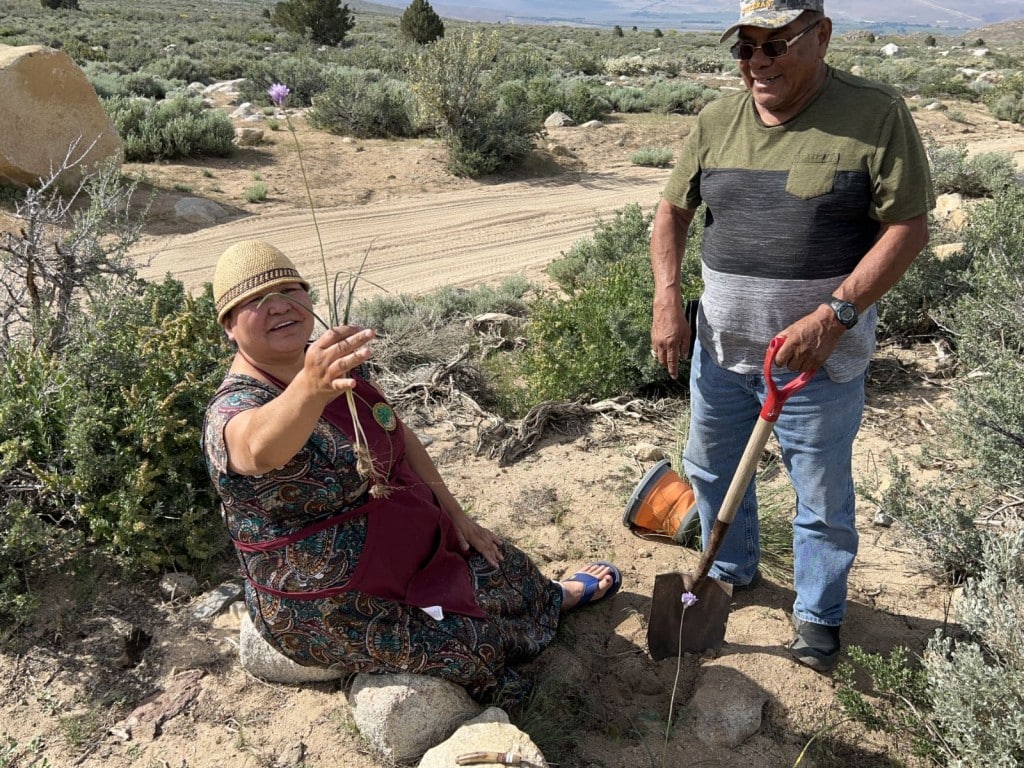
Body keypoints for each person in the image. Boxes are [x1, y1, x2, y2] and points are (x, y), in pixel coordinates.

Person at [202, 239, 622, 707]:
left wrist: (456, 514)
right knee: (464, 642)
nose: (278, 305)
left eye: (289, 290)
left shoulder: (333, 372)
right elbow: (255, 448)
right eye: (255, 301)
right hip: (326, 600)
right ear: (229, 326)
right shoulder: (237, 405)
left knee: (507, 568)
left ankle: (553, 599)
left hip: (401, 554)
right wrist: (309, 389)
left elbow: (399, 437)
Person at [649, 0, 934, 672]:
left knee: (820, 497)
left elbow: (908, 228)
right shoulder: (717, 120)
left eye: (775, 44)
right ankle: (734, 569)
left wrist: (837, 313)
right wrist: (667, 298)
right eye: (745, 48)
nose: (758, 62)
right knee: (711, 469)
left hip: (816, 364)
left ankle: (817, 614)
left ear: (821, 36)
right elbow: (671, 211)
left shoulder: (875, 114)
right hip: (721, 349)